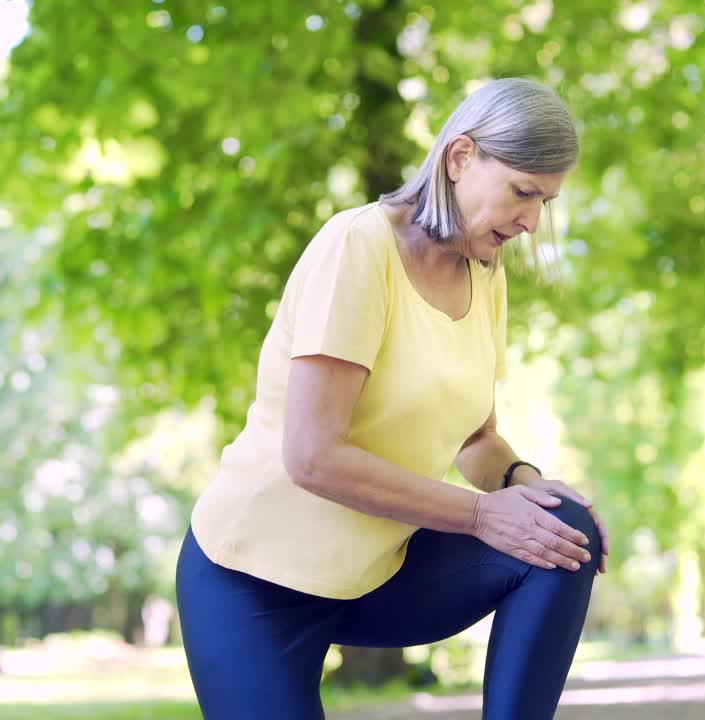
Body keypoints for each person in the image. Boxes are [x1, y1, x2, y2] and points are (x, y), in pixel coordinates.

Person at [176, 77, 610, 719]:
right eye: (524, 192)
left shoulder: (484, 277)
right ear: (460, 158)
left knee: (562, 532)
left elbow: (478, 441)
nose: (531, 222)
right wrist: (485, 516)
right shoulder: (358, 247)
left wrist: (527, 485)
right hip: (252, 582)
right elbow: (314, 457)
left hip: (382, 572)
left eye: (545, 201)